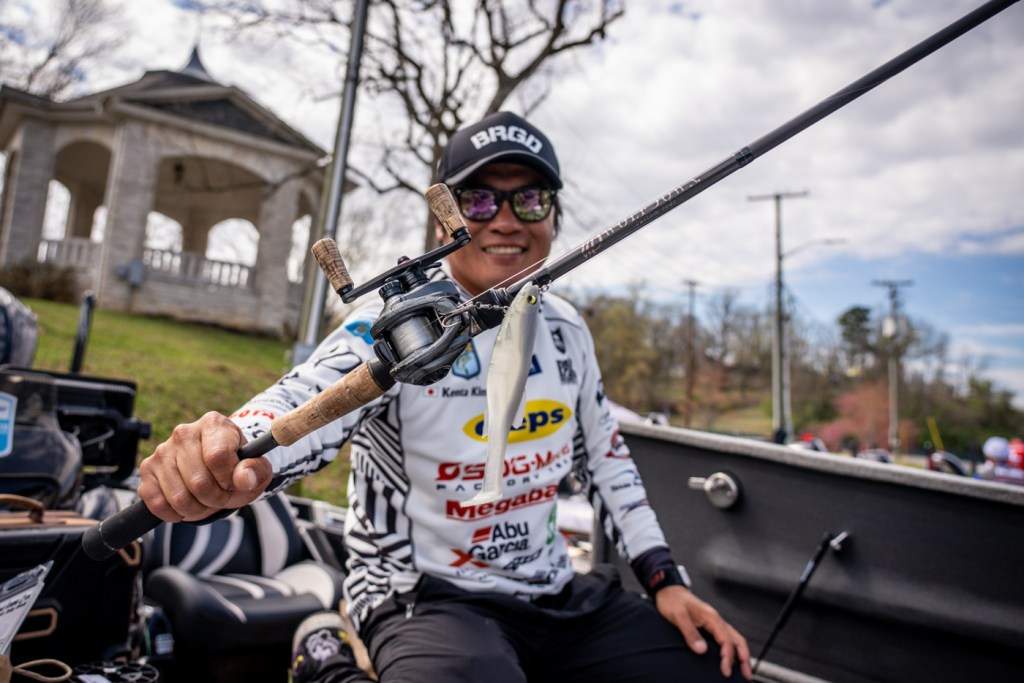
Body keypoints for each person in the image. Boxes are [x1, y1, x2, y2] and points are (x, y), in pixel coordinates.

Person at [137, 111, 752, 682]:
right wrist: (225, 448)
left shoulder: (568, 328)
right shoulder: (384, 331)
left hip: (555, 593)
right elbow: (302, 398)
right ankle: (331, 662)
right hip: (419, 596)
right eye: (479, 200)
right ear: (445, 221)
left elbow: (608, 463)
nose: (506, 220)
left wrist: (665, 580)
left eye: (530, 199)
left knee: (712, 668)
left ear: (553, 217)